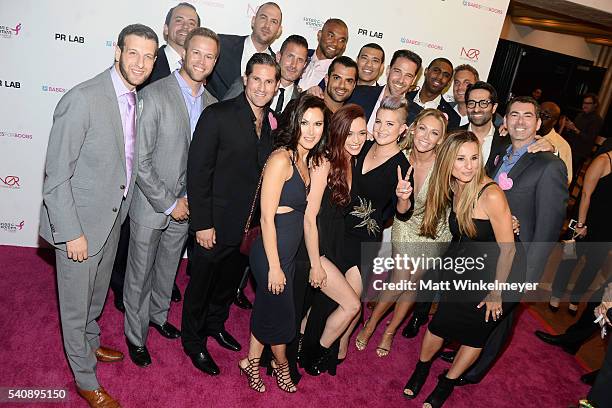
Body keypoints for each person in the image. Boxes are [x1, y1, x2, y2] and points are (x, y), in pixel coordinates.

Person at [39, 24, 158, 407]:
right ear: (117, 52)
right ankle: (84, 378)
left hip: (110, 218)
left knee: (94, 296)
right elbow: (56, 178)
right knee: (74, 307)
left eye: (148, 56)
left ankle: (90, 345)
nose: (140, 63)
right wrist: (70, 232)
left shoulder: (135, 98)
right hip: (78, 225)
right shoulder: (83, 98)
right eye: (133, 53)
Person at [123, 27, 219, 367]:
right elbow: (141, 162)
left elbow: (207, 164)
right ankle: (135, 336)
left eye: (209, 56)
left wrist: (192, 202)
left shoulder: (213, 106)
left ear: (215, 61)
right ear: (184, 54)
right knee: (139, 271)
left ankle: (158, 316)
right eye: (196, 53)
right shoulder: (154, 95)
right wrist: (169, 202)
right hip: (152, 204)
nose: (201, 60)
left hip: (188, 206)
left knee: (167, 269)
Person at [456, 96, 568, 385]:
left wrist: (531, 274)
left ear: (539, 123)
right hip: (489, 251)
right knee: (481, 308)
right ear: (504, 121)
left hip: (520, 257)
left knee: (500, 318)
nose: (520, 121)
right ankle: (466, 353)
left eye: (527, 116)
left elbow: (548, 226)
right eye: (513, 115)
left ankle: (475, 371)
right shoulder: (501, 153)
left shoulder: (549, 165)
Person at [402, 131, 516, 407]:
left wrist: (496, 293)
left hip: (502, 272)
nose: (469, 166)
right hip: (470, 265)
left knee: (475, 333)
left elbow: (509, 249)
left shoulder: (491, 195)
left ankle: (447, 383)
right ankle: (422, 368)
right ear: (448, 163)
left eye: (474, 158)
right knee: (441, 322)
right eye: (460, 159)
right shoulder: (455, 186)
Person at [183, 53, 280, 376]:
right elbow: (198, 173)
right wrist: (203, 224)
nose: (262, 87)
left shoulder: (272, 125)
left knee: (226, 286)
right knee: (201, 285)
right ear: (245, 79)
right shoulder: (218, 115)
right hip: (214, 223)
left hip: (247, 228)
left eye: (269, 81)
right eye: (257, 79)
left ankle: (215, 325)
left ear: (277, 86)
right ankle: (193, 340)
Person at [112, 2, 199, 312]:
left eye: (192, 21)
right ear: (166, 28)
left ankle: (154, 307)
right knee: (130, 250)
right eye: (179, 20)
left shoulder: (200, 79)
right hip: (136, 175)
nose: (185, 26)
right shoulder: (148, 63)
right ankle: (124, 292)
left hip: (177, 190)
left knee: (160, 262)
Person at [238, 94, 328, 393]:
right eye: (305, 123)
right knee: (284, 320)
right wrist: (275, 268)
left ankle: (250, 361)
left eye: (318, 124)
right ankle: (281, 367)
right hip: (269, 254)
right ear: (295, 123)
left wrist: (313, 263)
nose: (312, 131)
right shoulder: (281, 158)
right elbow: (265, 219)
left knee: (268, 309)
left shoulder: (309, 161)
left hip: (288, 254)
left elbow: (308, 218)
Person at [355, 109, 452, 357]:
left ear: (441, 139)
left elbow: (471, 184)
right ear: (412, 128)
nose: (426, 137)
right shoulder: (400, 157)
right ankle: (373, 322)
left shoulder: (445, 165)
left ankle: (390, 331)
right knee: (400, 278)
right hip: (405, 224)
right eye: (422, 129)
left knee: (412, 284)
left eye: (434, 133)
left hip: (434, 231)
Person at [299, 104, 369, 374]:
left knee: (346, 301)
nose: (356, 140)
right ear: (338, 132)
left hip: (336, 242)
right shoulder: (323, 162)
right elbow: (309, 216)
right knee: (351, 305)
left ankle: (309, 342)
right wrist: (316, 263)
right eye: (350, 133)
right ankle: (314, 352)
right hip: (315, 246)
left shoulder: (353, 161)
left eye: (362, 133)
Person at [550, 151, 612, 313]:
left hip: (606, 229)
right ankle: (556, 295)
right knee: (569, 260)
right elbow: (585, 194)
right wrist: (580, 223)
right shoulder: (603, 161)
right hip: (585, 222)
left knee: (593, 267)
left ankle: (575, 300)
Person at [206, 2, 282, 99]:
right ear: (253, 21)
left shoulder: (276, 65)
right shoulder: (222, 45)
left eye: (274, 21)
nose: (267, 25)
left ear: (279, 30)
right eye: (263, 17)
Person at [224, 35, 309, 115]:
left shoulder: (301, 102)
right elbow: (222, 114)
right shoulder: (244, 85)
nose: (293, 65)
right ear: (279, 57)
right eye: (290, 56)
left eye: (300, 60)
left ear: (304, 65)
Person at [348, 49, 422, 133]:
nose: (401, 80)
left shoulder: (417, 115)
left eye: (408, 75)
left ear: (414, 79)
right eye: (397, 71)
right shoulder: (358, 94)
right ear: (388, 70)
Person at [406, 57, 460, 129]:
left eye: (446, 75)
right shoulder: (404, 97)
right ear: (426, 71)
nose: (440, 77)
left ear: (448, 83)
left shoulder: (452, 118)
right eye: (436, 70)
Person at [562, 93, 604, 185]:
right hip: (570, 147)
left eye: (588, 103)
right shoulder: (580, 115)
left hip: (580, 151)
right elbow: (572, 134)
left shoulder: (597, 120)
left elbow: (589, 139)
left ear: (595, 105)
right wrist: (569, 128)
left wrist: (575, 129)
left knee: (569, 172)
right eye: (584, 103)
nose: (585, 105)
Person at [298, 18, 349, 91]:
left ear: (344, 45)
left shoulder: (340, 74)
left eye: (341, 40)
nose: (335, 43)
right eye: (331, 36)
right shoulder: (301, 54)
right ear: (319, 35)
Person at [538, 101, 572, 184]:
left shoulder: (562, 146)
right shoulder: (524, 133)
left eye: (546, 116)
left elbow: (566, 179)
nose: (540, 118)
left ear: (554, 122)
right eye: (538, 113)